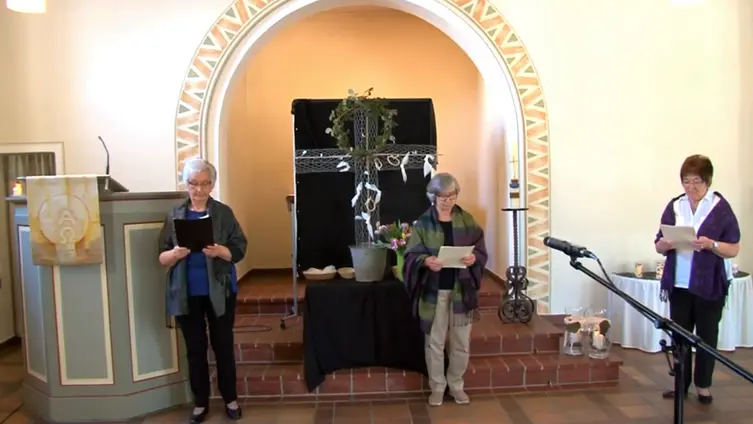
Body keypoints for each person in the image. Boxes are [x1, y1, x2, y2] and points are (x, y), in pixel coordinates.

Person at [159, 158, 247, 423]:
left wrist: (221, 251)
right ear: (186, 184)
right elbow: (161, 256)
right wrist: (175, 254)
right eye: (193, 183)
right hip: (186, 292)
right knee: (195, 349)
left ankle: (230, 399)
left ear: (212, 184)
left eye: (205, 184)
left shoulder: (223, 213)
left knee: (223, 345)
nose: (199, 190)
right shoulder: (175, 215)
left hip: (219, 290)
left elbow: (239, 249)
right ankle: (200, 403)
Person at [654, 154, 740, 405]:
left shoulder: (720, 208)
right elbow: (658, 244)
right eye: (686, 181)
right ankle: (681, 384)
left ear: (708, 181)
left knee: (706, 336)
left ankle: (703, 386)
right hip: (679, 283)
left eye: (697, 181)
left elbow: (733, 248)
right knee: (679, 336)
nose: (691, 187)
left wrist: (712, 245)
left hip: (709, 285)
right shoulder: (675, 206)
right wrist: (666, 243)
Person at [403, 172, 488, 407]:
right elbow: (411, 255)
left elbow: (480, 249)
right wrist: (425, 261)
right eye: (442, 196)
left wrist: (474, 258)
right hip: (434, 292)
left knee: (461, 343)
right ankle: (437, 387)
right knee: (435, 343)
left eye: (452, 195)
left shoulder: (467, 220)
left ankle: (457, 385)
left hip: (462, 290)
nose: (448, 200)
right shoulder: (423, 223)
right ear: (433, 196)